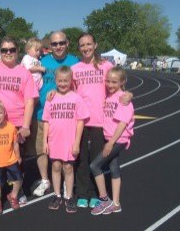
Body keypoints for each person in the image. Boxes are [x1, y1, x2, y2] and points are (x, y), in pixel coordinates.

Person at [71, 32, 132, 209]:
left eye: (89, 44)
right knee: (82, 159)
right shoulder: (75, 69)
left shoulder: (106, 66)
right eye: (82, 45)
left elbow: (120, 85)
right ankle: (83, 193)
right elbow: (70, 91)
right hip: (81, 120)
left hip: (101, 122)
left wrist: (129, 94)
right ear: (79, 48)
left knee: (96, 160)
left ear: (95, 45)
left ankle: (97, 194)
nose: (86, 48)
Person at [0, 36, 39, 205]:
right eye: (4, 50)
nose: (8, 53)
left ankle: (18, 189)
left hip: (17, 123)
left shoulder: (24, 72)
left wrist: (25, 125)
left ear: (17, 52)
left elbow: (30, 100)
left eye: (12, 50)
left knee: (17, 160)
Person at [29, 31, 79, 197]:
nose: (58, 46)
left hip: (65, 117)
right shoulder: (42, 61)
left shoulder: (75, 62)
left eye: (61, 43)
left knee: (66, 153)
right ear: (49, 46)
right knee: (41, 150)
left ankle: (66, 182)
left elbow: (80, 87)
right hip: (41, 113)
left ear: (67, 43)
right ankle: (45, 180)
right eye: (54, 44)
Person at [42, 66, 89, 213]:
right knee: (56, 166)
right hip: (54, 140)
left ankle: (69, 196)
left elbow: (81, 121)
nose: (63, 84)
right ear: (55, 80)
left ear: (71, 81)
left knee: (68, 168)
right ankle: (57, 195)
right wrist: (45, 141)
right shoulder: (51, 98)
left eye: (66, 81)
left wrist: (76, 142)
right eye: (60, 81)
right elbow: (46, 121)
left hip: (69, 140)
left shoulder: (76, 98)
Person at [90, 67, 134, 215]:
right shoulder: (109, 97)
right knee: (114, 169)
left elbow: (122, 123)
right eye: (108, 81)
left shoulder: (123, 99)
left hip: (117, 139)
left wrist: (110, 143)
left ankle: (104, 200)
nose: (110, 84)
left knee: (95, 166)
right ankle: (116, 203)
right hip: (110, 138)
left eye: (114, 82)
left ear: (122, 82)